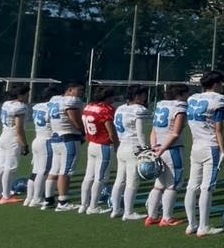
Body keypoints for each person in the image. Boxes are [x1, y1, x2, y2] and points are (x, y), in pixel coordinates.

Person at [185, 71, 224, 237]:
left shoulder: (193, 99)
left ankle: (191, 225)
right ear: (216, 84)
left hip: (196, 146)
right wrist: (223, 150)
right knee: (207, 188)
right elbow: (219, 129)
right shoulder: (218, 100)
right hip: (210, 146)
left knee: (192, 186)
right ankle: (204, 226)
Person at [145, 84, 189, 227]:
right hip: (171, 149)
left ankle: (151, 216)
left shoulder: (161, 105)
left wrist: (155, 148)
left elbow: (154, 130)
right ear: (180, 95)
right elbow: (175, 133)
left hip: (158, 147)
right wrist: (163, 148)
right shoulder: (179, 107)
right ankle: (167, 218)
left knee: (159, 185)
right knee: (173, 185)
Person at [111, 85, 150, 221]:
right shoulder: (139, 110)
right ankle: (128, 212)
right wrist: (145, 149)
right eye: (143, 95)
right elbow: (140, 134)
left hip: (122, 146)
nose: (145, 98)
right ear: (137, 96)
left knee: (119, 180)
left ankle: (116, 209)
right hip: (133, 148)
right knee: (132, 182)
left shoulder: (120, 108)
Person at [45, 81, 86, 212]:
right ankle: (62, 201)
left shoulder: (55, 99)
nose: (81, 94)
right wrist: (83, 131)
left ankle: (48, 199)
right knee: (66, 172)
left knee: (54, 170)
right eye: (78, 91)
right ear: (70, 91)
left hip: (56, 137)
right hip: (68, 138)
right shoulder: (71, 101)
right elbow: (76, 121)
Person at [79, 87, 118, 215]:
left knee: (89, 176)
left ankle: (84, 205)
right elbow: (111, 131)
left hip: (92, 143)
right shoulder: (106, 110)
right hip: (104, 145)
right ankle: (93, 206)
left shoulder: (88, 107)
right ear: (107, 97)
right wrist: (117, 145)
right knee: (100, 178)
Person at [0, 85, 31, 204]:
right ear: (20, 95)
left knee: (1, 166)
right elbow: (19, 128)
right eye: (26, 94)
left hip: (4, 135)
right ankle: (6, 196)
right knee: (10, 168)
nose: (27, 97)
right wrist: (24, 144)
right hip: (12, 137)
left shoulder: (7, 104)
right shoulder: (20, 107)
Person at [26, 86, 58, 207]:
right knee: (43, 171)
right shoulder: (51, 107)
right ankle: (37, 198)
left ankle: (29, 198)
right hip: (46, 140)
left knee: (35, 170)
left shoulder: (36, 106)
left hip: (37, 138)